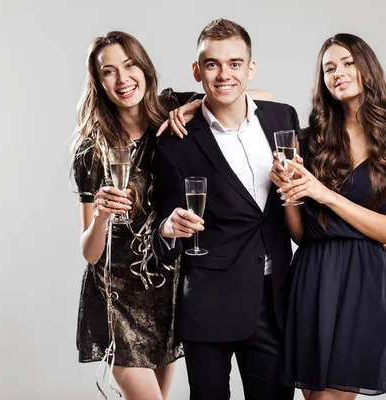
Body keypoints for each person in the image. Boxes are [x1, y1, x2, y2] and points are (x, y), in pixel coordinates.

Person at [272, 34, 386, 399]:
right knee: (314, 396)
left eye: (347, 63)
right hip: (312, 272)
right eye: (328, 68)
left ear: (367, 68)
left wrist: (323, 194)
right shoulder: (305, 141)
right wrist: (289, 191)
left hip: (365, 279)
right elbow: (299, 234)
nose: (338, 73)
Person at [151, 18, 297, 400]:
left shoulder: (283, 118)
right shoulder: (175, 141)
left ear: (250, 68)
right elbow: (161, 222)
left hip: (274, 301)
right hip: (207, 303)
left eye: (235, 63)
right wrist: (169, 227)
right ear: (197, 71)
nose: (223, 74)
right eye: (212, 64)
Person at [71, 31, 202, 400]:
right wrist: (99, 216)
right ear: (99, 83)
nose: (123, 79)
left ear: (144, 67)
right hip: (116, 297)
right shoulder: (92, 151)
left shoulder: (173, 112)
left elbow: (257, 100)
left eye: (129, 66)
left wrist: (194, 106)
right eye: (109, 72)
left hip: (164, 289)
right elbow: (90, 253)